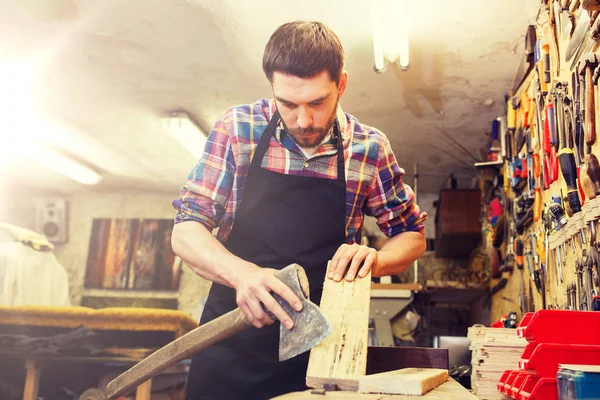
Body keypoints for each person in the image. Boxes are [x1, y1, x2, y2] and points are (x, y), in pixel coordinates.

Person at [171, 20, 427, 400]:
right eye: (288, 104)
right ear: (272, 87)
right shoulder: (238, 129)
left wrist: (375, 260)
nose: (304, 120)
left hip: (320, 354)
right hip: (231, 344)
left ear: (341, 84)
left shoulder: (369, 149)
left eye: (317, 103)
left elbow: (412, 236)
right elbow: (186, 229)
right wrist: (243, 275)